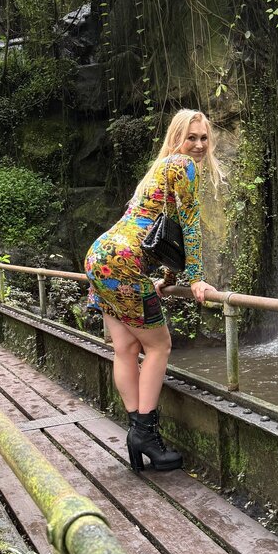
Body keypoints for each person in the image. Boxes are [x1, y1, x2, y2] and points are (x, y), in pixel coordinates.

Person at [85, 109, 222, 472]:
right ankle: (145, 434)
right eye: (191, 137)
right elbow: (188, 225)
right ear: (177, 138)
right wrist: (196, 278)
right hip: (125, 262)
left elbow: (161, 233)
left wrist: (166, 278)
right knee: (159, 346)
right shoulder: (183, 166)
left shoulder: (157, 169)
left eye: (204, 138)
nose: (198, 145)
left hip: (100, 256)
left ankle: (136, 433)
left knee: (126, 348)